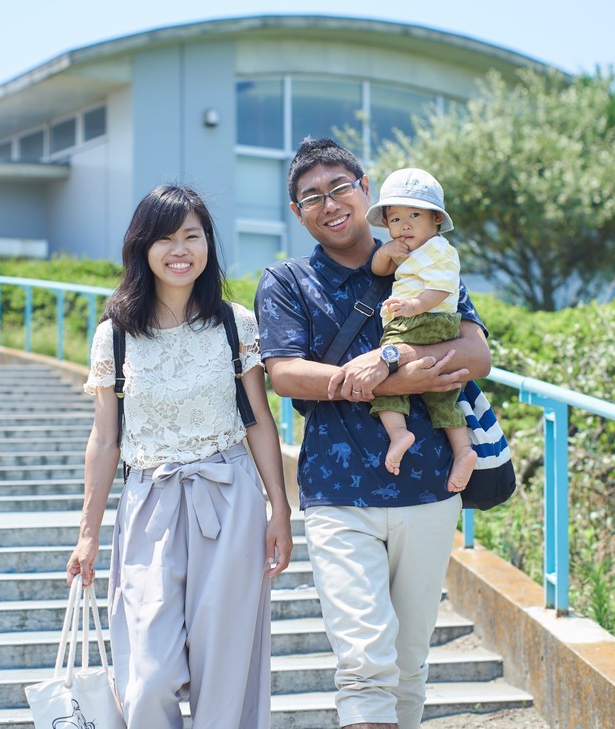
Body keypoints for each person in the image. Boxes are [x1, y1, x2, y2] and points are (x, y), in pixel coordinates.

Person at [255, 138, 491, 729]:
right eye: (312, 197)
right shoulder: (287, 282)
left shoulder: (425, 258)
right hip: (337, 494)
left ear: (365, 191)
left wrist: (386, 363)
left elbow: (476, 354)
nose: (330, 204)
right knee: (364, 662)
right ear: (297, 213)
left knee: (408, 664)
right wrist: (382, 377)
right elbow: (285, 374)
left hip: (430, 486)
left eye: (340, 188)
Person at [66, 184, 293, 729]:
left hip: (230, 498)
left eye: (192, 236)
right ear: (142, 247)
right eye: (165, 238)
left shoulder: (234, 323)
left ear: (208, 243)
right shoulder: (115, 335)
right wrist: (87, 533)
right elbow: (104, 439)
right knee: (148, 677)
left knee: (227, 675)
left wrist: (280, 509)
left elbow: (258, 421)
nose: (180, 250)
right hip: (149, 504)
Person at [356, 167, 477, 489]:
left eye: (414, 215)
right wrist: (385, 252)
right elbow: (378, 270)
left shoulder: (440, 250)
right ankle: (463, 450)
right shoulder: (408, 250)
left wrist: (413, 306)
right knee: (442, 396)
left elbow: (442, 289)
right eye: (395, 219)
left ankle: (399, 433)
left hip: (424, 320)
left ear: (436, 218)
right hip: (423, 322)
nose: (405, 225)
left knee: (386, 378)